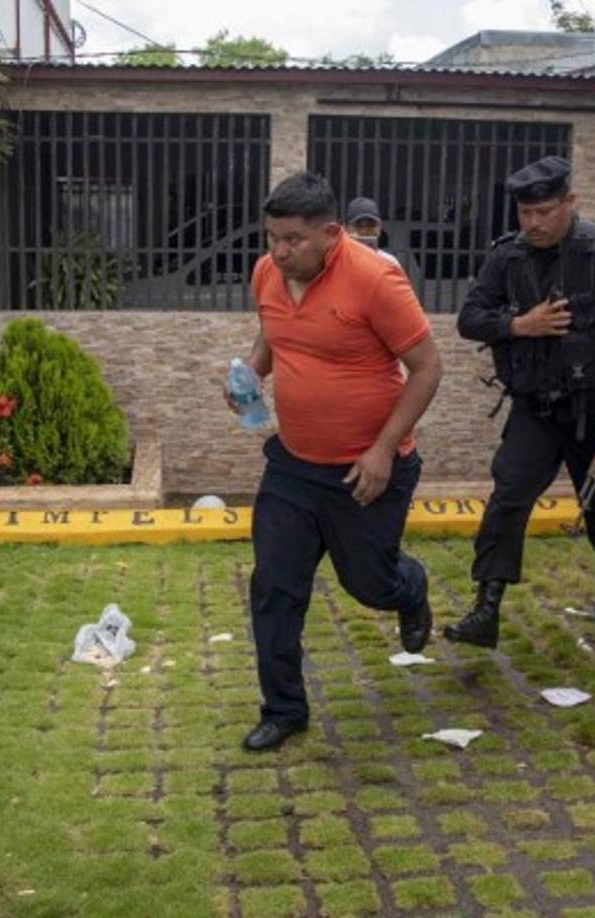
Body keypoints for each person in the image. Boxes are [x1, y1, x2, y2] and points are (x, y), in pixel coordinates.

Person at [230, 172, 442, 751]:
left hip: (366, 469)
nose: (277, 251)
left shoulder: (376, 280)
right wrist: (252, 374)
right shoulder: (268, 273)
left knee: (369, 585)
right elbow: (273, 337)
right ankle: (284, 710)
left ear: (331, 233)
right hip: (293, 466)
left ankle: (411, 586)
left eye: (292, 239)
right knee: (274, 585)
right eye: (271, 236)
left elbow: (427, 367)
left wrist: (381, 449)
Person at [444, 156, 595, 648]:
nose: (534, 223)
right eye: (525, 214)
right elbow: (470, 318)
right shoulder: (507, 257)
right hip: (535, 409)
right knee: (508, 496)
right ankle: (487, 607)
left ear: (569, 203)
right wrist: (518, 326)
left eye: (544, 211)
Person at [346, 196, 402, 268]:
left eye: (371, 225)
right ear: (346, 228)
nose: (365, 231)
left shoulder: (390, 263)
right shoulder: (338, 263)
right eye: (359, 225)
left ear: (380, 227)